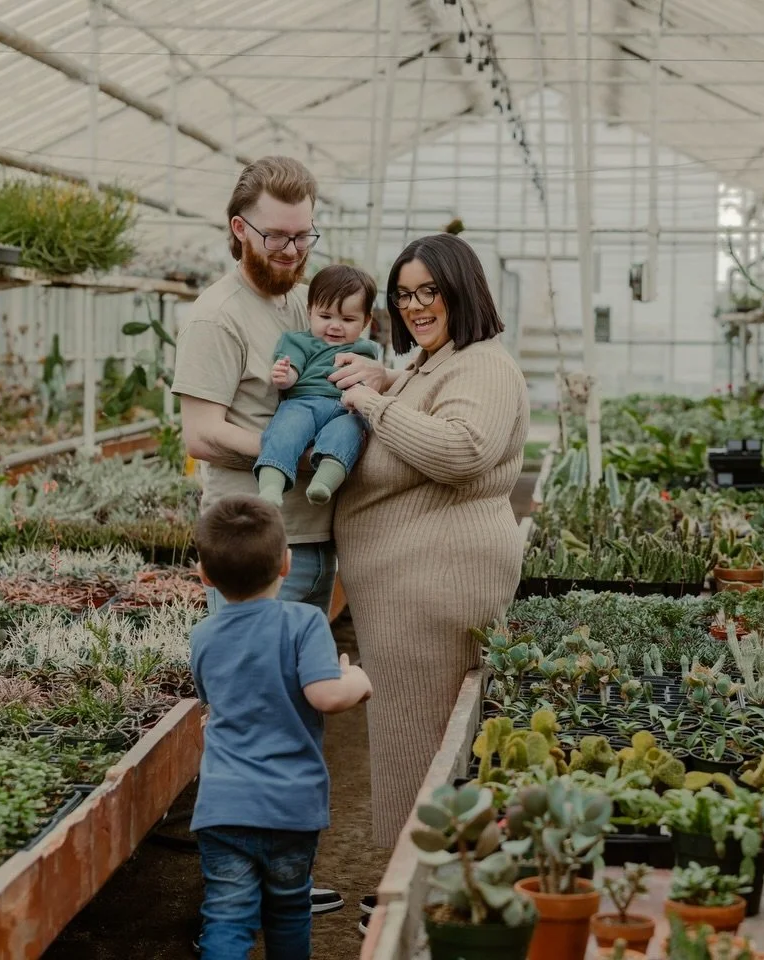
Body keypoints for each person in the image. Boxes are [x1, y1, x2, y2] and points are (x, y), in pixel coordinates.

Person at [171, 155, 358, 916]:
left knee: (300, 712)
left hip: (309, 540)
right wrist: (289, 448)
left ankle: (285, 878)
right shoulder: (217, 316)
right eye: (278, 238)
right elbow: (203, 431)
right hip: (252, 546)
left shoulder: (297, 302)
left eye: (304, 236)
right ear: (237, 228)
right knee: (248, 718)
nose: (292, 252)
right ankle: (230, 894)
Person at [333, 233, 530, 856]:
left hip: (435, 587)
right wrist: (389, 380)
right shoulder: (438, 360)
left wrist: (370, 403)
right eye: (403, 294)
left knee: (418, 740)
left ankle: (413, 888)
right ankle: (413, 880)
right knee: (405, 735)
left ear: (461, 291)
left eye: (429, 292)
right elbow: (434, 399)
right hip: (409, 592)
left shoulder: (486, 363)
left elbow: (461, 447)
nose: (415, 306)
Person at [190, 495, 373, 960]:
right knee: (289, 910)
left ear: (204, 576)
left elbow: (213, 699)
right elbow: (326, 696)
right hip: (289, 805)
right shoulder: (304, 622)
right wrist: (356, 680)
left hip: (223, 806)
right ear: (287, 564)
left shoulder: (203, 635)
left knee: (227, 916)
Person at [255, 265, 381, 507]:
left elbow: (372, 383)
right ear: (310, 311)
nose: (335, 326)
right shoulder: (300, 342)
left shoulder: (366, 351)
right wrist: (285, 375)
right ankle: (271, 485)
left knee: (348, 432)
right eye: (325, 317)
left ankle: (324, 481)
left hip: (347, 409)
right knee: (285, 430)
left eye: (348, 319)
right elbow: (293, 370)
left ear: (366, 321)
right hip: (304, 403)